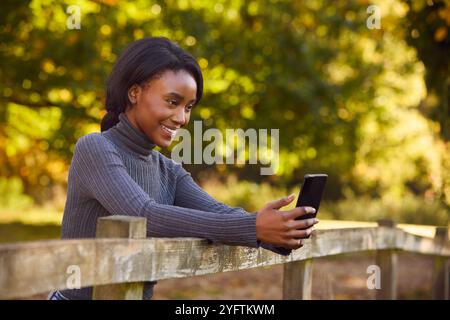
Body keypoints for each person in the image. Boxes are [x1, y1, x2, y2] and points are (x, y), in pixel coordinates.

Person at [49, 37, 319, 300]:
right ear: (134, 93)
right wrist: (253, 226)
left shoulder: (168, 170)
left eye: (188, 107)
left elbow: (219, 213)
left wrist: (276, 234)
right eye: (172, 102)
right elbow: (144, 216)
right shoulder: (95, 148)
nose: (182, 118)